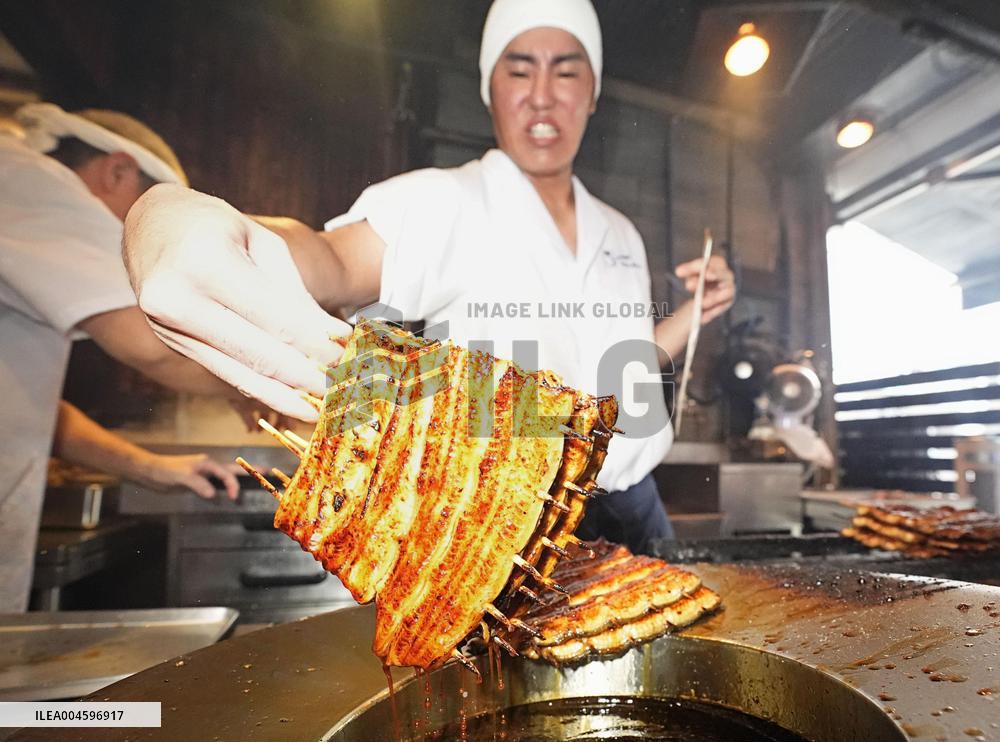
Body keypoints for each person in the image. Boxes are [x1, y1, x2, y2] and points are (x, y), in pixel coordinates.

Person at [121, 0, 736, 555]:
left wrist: (693, 314)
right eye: (519, 70)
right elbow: (330, 262)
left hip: (641, 506)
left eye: (567, 70)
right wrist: (186, 221)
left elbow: (618, 366)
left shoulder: (621, 232)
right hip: (516, 526)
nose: (543, 95)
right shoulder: (443, 203)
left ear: (594, 91)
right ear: (490, 89)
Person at [0, 104, 247, 611]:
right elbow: (152, 344)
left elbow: (24, 404)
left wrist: (149, 467)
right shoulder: (33, 180)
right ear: (117, 171)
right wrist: (264, 386)